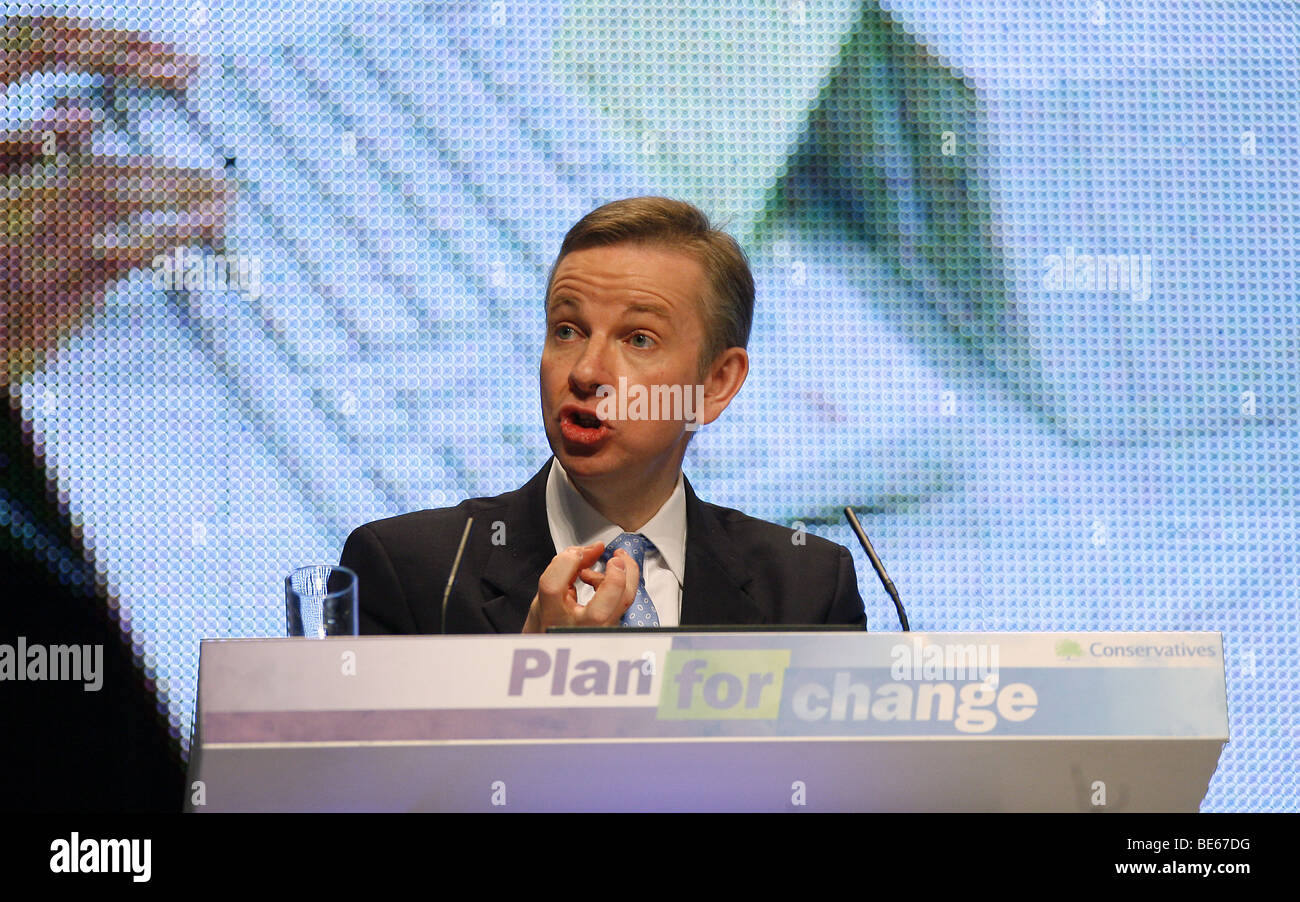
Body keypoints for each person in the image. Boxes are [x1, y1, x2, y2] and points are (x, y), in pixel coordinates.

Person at [340, 197, 867, 633]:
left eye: (638, 339)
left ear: (716, 383)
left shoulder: (808, 589)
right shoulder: (409, 571)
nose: (586, 372)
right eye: (567, 330)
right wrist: (530, 674)